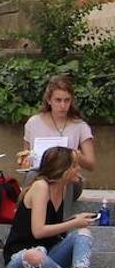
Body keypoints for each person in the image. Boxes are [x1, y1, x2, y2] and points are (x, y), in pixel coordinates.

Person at [4, 146, 110, 268]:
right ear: (63, 169)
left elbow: (54, 225)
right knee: (36, 255)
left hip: (49, 254)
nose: (79, 169)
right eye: (74, 165)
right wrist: (73, 222)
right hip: (22, 258)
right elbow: (38, 231)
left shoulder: (63, 188)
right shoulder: (41, 186)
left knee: (83, 233)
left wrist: (75, 220)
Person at [19, 75, 96, 218]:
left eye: (67, 100)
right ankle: (25, 221)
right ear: (49, 100)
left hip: (69, 178)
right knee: (32, 175)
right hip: (40, 174)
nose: (63, 106)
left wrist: (75, 155)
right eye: (58, 100)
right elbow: (27, 156)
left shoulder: (79, 126)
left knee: (65, 175)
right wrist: (25, 160)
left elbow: (91, 164)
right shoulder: (33, 123)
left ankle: (63, 222)